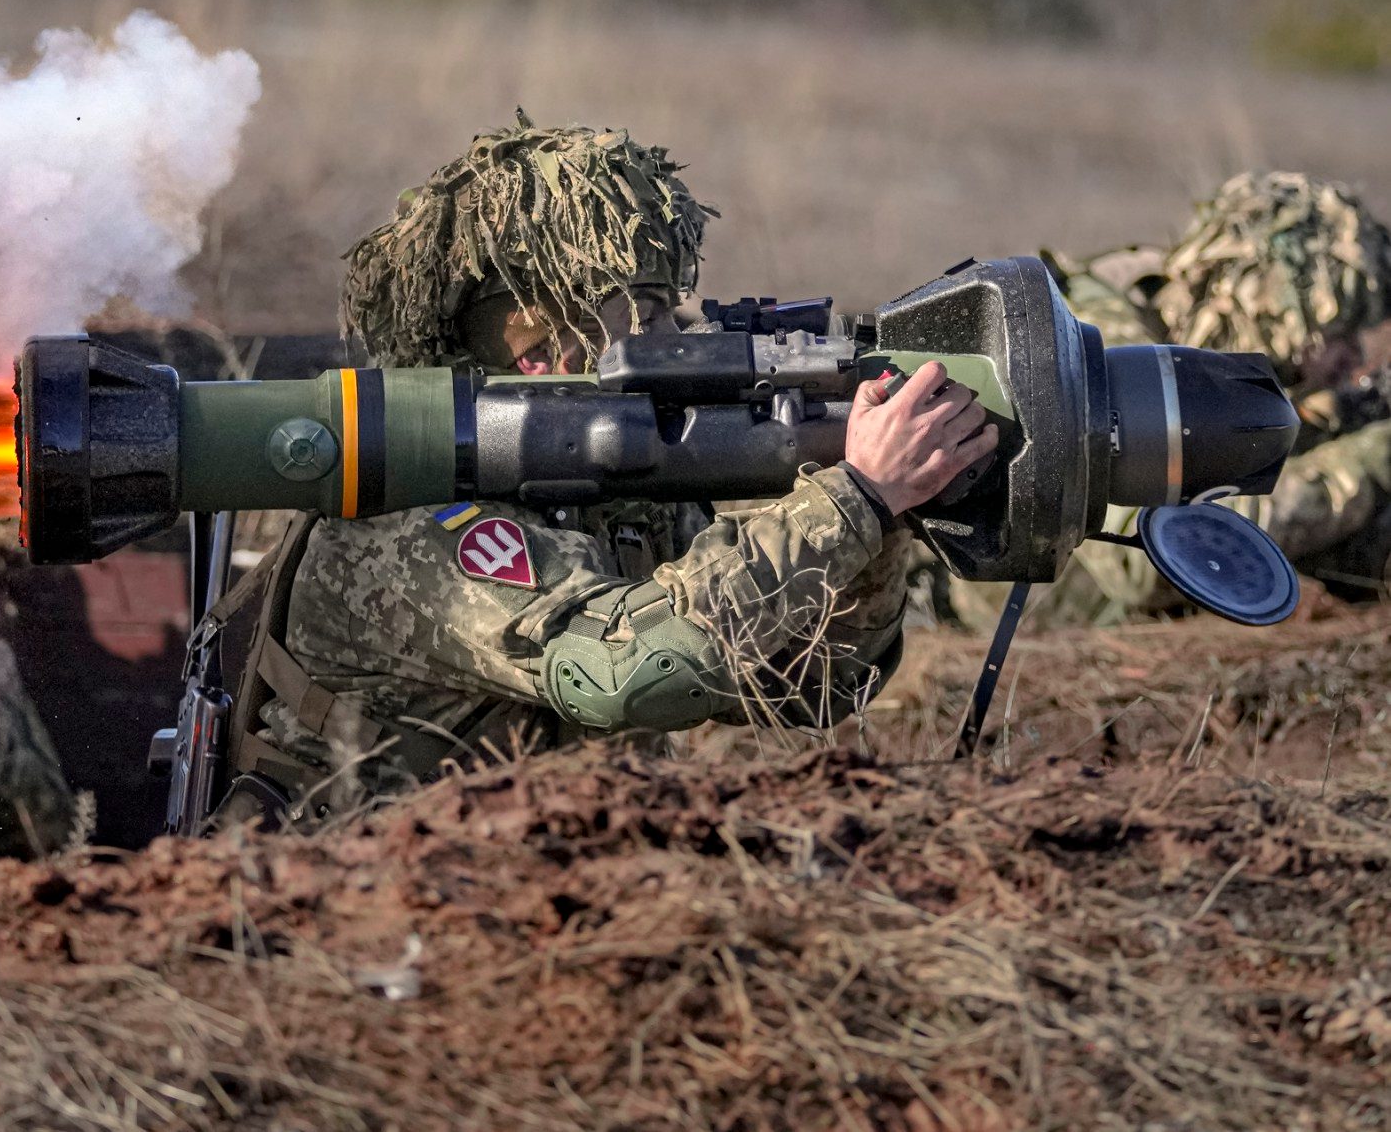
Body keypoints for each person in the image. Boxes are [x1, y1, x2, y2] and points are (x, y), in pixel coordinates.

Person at [208, 119, 999, 826]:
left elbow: (808, 685)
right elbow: (626, 672)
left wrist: (880, 520)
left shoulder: (610, 496)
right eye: (644, 314)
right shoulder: (413, 520)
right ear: (539, 348)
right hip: (330, 900)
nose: (673, 335)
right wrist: (853, 498)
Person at [1022, 170, 1391, 624]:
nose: (1355, 356)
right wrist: (1360, 468)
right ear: (1275, 306)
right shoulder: (1094, 348)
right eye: (1340, 329)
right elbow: (1144, 558)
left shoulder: (1197, 347)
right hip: (1023, 628)